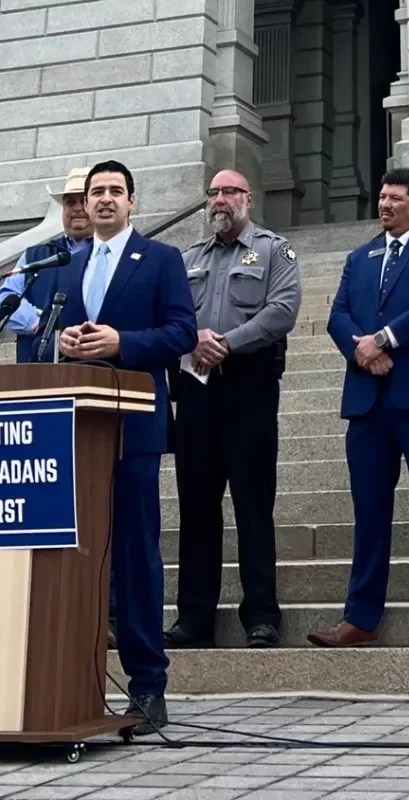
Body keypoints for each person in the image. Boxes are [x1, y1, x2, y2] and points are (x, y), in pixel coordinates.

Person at [52, 160, 196, 727]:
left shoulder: (160, 260)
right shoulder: (67, 264)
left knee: (136, 554)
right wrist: (62, 340)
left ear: (133, 201)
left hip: (133, 427)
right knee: (76, 552)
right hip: (74, 429)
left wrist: (122, 342)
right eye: (96, 193)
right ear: (84, 204)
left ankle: (147, 683)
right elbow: (46, 335)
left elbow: (183, 332)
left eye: (115, 191)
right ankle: (68, 677)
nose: (104, 200)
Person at [307, 168, 409, 649]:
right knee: (370, 511)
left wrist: (384, 340)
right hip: (367, 400)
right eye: (381, 197)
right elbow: (338, 314)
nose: (384, 205)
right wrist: (360, 349)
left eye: (395, 199)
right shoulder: (360, 257)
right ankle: (360, 617)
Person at [164, 169, 301, 650]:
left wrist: (227, 342)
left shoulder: (274, 249)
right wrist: (193, 338)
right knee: (196, 507)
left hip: (250, 388)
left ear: (248, 197)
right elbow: (172, 315)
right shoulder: (187, 259)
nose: (220, 200)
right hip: (197, 391)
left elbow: (282, 310)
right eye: (214, 193)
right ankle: (194, 618)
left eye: (230, 192)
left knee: (252, 505)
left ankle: (261, 614)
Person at [0, 167, 92, 362]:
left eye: (84, 201)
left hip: (91, 364)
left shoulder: (111, 254)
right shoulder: (35, 256)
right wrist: (42, 323)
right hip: (35, 368)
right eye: (70, 202)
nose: (77, 208)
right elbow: (5, 298)